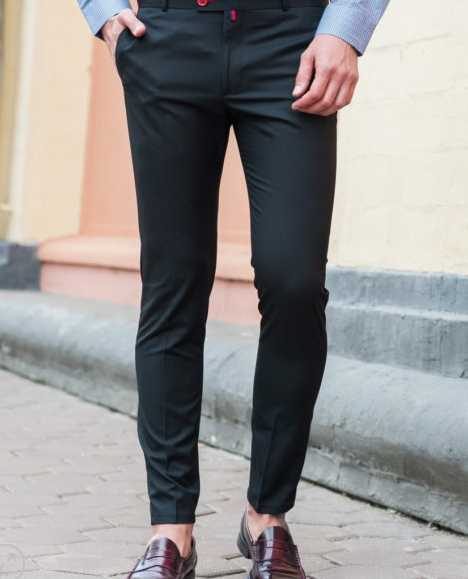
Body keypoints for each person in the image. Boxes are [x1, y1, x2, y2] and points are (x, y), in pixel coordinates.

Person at [77, 1, 390, 577]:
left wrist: (346, 30)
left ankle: (266, 516)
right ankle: (171, 529)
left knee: (295, 282)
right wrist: (103, 13)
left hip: (292, 42)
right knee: (173, 282)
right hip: (168, 38)